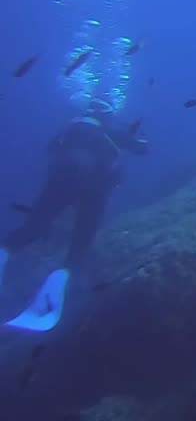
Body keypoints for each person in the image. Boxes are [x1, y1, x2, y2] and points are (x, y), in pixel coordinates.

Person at [0, 98, 148, 332]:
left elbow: (50, 152)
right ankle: (53, 291)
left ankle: (4, 252)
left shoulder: (72, 128)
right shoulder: (110, 130)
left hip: (59, 183)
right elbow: (142, 148)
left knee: (32, 229)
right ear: (108, 114)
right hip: (94, 190)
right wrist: (137, 136)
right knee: (80, 245)